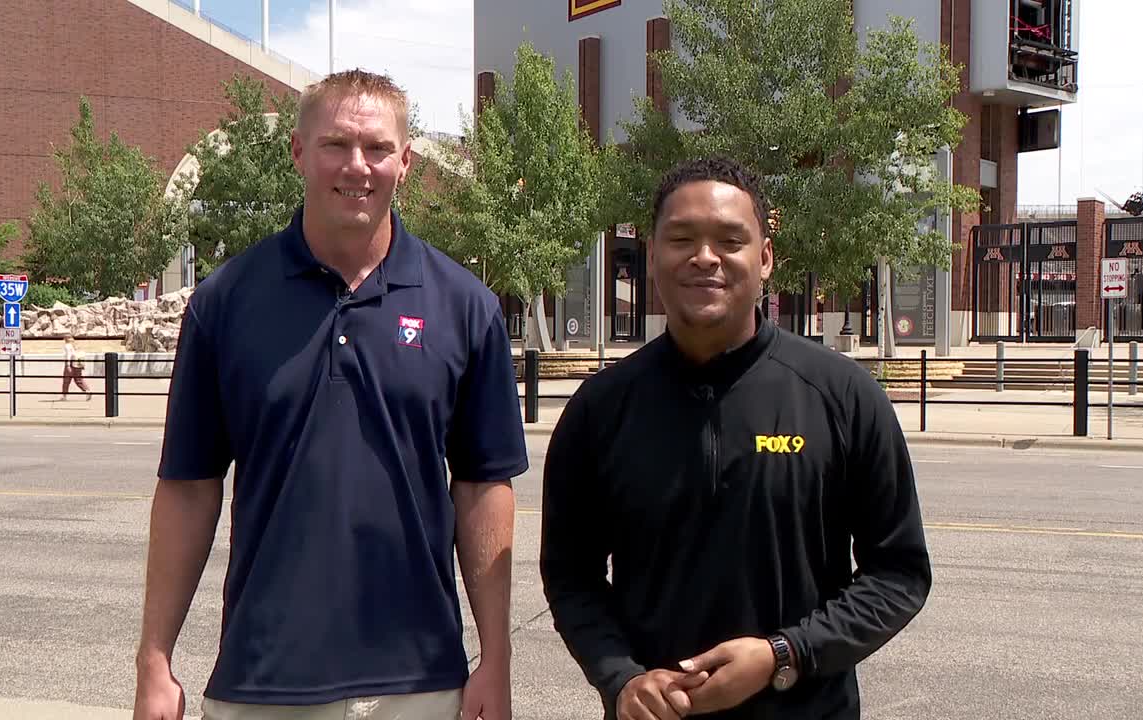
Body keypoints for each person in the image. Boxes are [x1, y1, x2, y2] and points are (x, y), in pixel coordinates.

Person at [132, 69, 528, 720]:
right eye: (335, 144)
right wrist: (155, 660)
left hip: (421, 682)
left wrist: (496, 661)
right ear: (297, 152)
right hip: (262, 678)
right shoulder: (225, 302)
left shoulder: (465, 306)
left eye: (376, 148)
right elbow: (188, 486)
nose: (357, 165)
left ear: (405, 161)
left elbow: (484, 487)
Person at [540, 157, 932, 720]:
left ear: (765, 258)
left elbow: (899, 573)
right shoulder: (600, 410)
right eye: (681, 239)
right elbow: (570, 576)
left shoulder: (842, 394)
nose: (705, 257)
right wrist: (621, 678)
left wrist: (786, 653)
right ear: (652, 257)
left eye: (730, 240)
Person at [60, 335, 90, 400]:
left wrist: (68, 365)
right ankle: (87, 391)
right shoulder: (74, 345)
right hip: (77, 364)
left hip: (71, 363)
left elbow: (68, 355)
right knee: (78, 380)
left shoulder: (67, 346)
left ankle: (64, 396)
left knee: (66, 381)